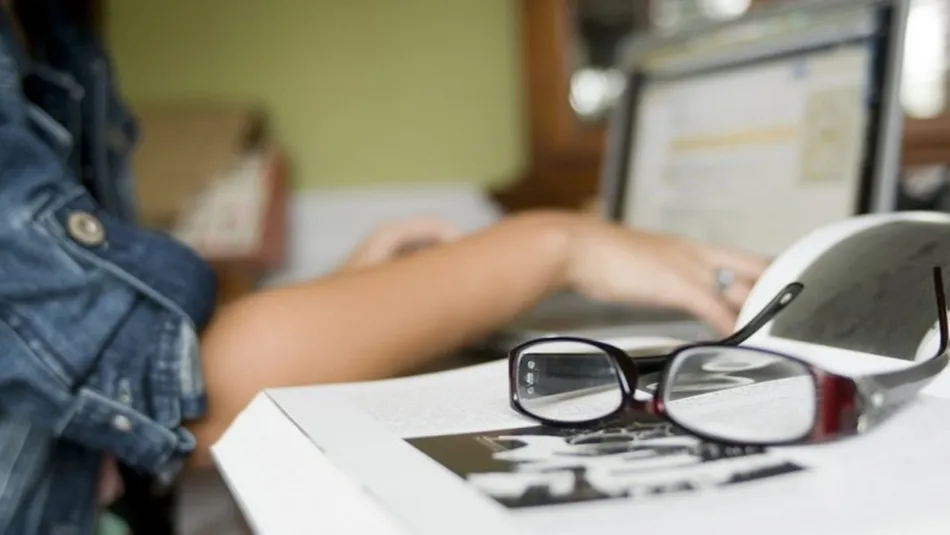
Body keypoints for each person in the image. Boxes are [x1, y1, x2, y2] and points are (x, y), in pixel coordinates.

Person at [0, 1, 767, 534]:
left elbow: (99, 363)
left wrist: (354, 301)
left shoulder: (55, 29)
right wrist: (557, 244)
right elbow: (180, 395)